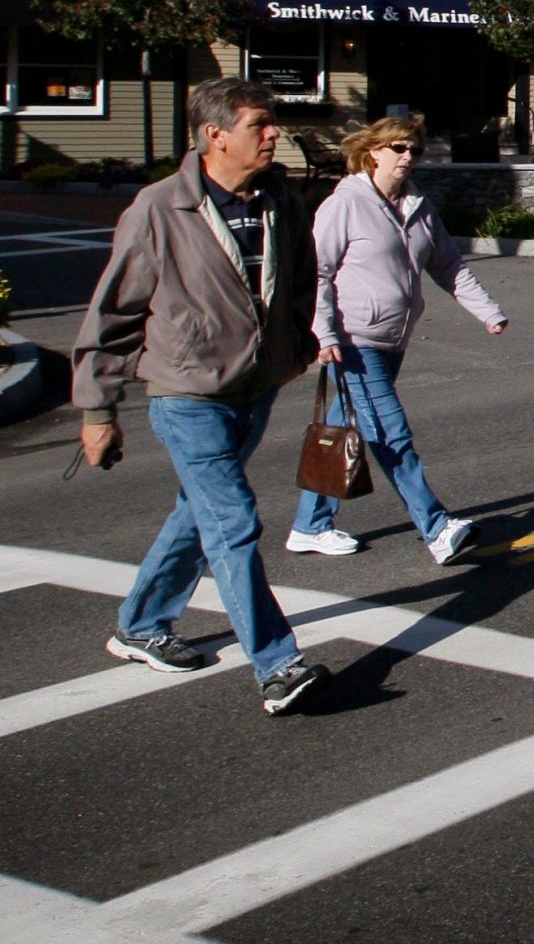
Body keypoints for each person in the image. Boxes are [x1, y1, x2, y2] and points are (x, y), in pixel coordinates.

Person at [74, 77, 330, 716]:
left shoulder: (279, 200)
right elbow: (114, 312)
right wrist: (99, 410)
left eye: (272, 123)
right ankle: (277, 665)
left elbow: (300, 279)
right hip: (187, 392)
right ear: (215, 136)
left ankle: (140, 623)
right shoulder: (160, 208)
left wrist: (294, 349)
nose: (273, 134)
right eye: (259, 124)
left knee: (202, 514)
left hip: (255, 386)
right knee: (233, 521)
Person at [286, 112, 507, 564]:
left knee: (346, 428)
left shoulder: (417, 206)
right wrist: (323, 332)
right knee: (390, 432)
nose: (408, 157)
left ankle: (310, 525)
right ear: (373, 153)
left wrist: (488, 311)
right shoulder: (344, 204)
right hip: (353, 340)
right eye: (399, 148)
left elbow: (449, 265)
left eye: (415, 150)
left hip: (392, 339)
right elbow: (317, 273)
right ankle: (437, 527)